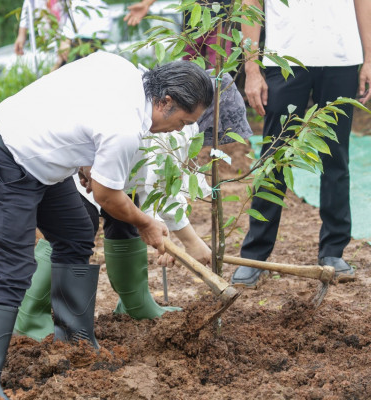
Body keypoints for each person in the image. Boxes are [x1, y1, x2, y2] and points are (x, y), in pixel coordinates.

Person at [0, 50, 213, 399]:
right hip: (1, 161)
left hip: (43, 163)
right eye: (184, 121)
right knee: (12, 272)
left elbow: (73, 95)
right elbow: (108, 197)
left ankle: (75, 342)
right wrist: (146, 224)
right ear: (166, 101)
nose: (179, 130)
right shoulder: (124, 128)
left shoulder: (123, 68)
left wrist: (85, 154)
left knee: (77, 232)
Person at [14, 71, 253, 342]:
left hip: (122, 177)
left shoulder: (177, 124)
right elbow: (154, 187)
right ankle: (31, 317)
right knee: (76, 227)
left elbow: (161, 184)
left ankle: (135, 304)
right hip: (90, 172)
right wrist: (181, 237)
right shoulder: (173, 130)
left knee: (125, 225)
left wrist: (183, 239)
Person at [232, 0, 371, 287]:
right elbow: (249, 3)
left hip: (341, 59)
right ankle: (255, 255)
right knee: (274, 156)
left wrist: (369, 60)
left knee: (336, 157)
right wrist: (251, 68)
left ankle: (333, 251)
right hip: (284, 59)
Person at [124, 0, 232, 67]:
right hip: (191, 27)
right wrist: (146, 3)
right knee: (189, 72)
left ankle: (220, 102)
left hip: (220, 24)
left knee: (220, 70)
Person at [14, 0, 110, 68]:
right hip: (73, 33)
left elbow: (78, 7)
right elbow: (29, 4)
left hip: (92, 25)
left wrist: (66, 39)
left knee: (72, 71)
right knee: (64, 71)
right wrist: (22, 33)